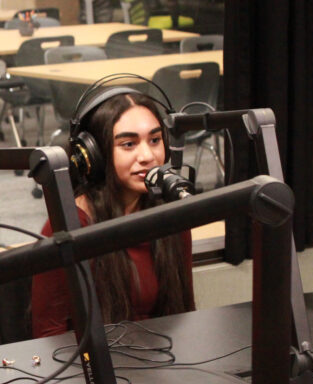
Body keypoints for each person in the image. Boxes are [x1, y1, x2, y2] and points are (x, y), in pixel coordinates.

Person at [31, 88, 195, 338]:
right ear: (94, 155)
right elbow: (48, 336)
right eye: (128, 144)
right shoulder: (69, 226)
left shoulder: (172, 215)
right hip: (93, 362)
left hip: (165, 356)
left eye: (155, 140)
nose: (148, 156)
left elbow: (185, 312)